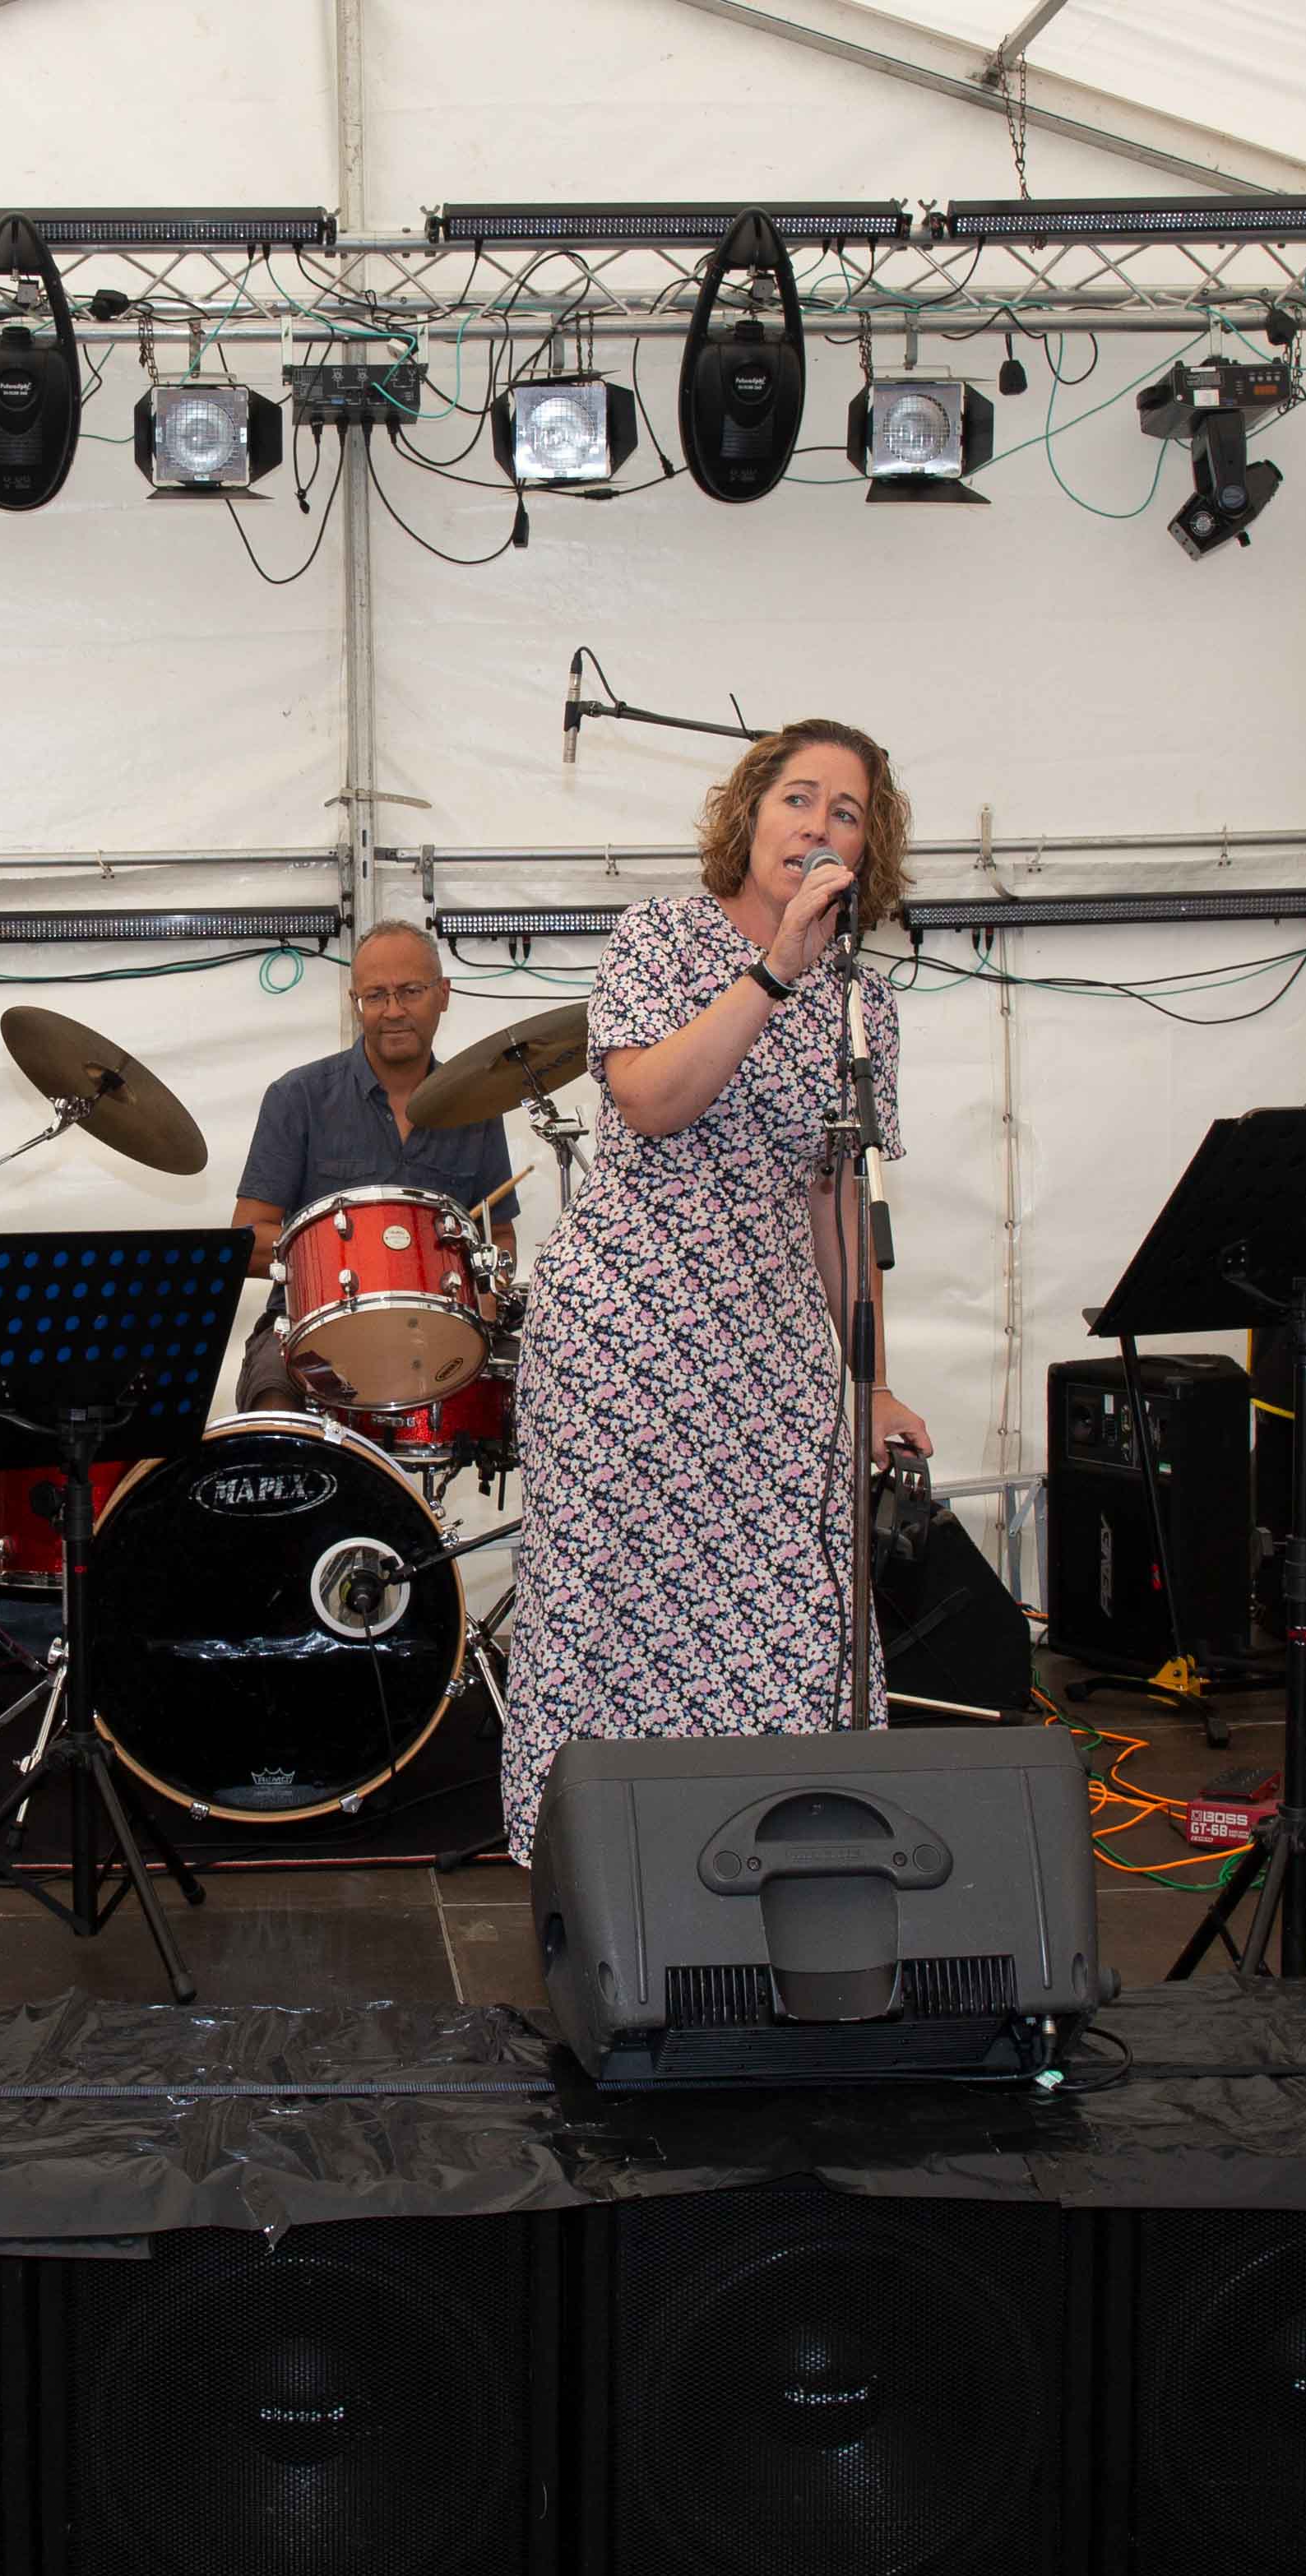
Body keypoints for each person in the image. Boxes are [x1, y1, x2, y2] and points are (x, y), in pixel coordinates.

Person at [497, 721, 931, 1856]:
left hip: (770, 1350)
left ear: (867, 847)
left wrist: (870, 1383)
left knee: (797, 1608)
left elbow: (837, 1202)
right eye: (798, 798)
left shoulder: (862, 1004)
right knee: (608, 1614)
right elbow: (650, 1100)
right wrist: (774, 969)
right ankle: (598, 1861)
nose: (819, 824)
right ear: (749, 816)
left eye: (846, 811)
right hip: (626, 1340)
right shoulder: (658, 936)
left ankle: (783, 1845)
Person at [228, 921, 520, 1409]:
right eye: (376, 996)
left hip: (438, 1333)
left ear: (443, 995)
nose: (394, 1010)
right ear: (355, 1003)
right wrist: (345, 1255)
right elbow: (248, 1240)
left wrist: (491, 1290)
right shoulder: (297, 1097)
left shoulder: (478, 1106)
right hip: (310, 1334)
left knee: (529, 1385)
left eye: (411, 991)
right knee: (275, 1410)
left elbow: (500, 1235)